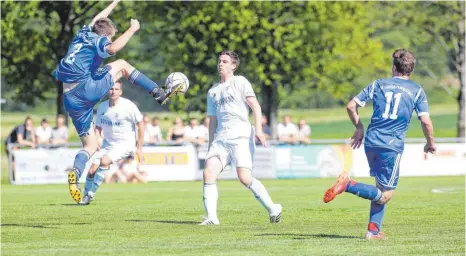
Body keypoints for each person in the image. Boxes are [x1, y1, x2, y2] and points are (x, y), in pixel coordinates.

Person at [53, 0, 181, 202]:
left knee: (91, 145)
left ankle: (76, 173)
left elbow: (98, 18)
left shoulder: (83, 33)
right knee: (121, 65)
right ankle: (158, 93)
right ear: (105, 35)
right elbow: (112, 49)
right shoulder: (99, 40)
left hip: (70, 99)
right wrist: (132, 29)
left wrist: (115, 2)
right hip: (85, 89)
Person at [322, 49, 436, 240]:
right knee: (386, 195)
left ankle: (373, 231)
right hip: (391, 146)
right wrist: (430, 143)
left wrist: (359, 127)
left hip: (371, 141)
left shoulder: (378, 84)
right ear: (411, 69)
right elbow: (426, 122)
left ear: (394, 67)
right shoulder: (417, 90)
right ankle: (347, 185)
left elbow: (351, 106)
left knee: (379, 189)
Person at [201, 50, 282, 225]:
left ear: (233, 65)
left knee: (244, 178)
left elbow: (256, 107)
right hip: (220, 139)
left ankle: (272, 208)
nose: (220, 64)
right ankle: (212, 218)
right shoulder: (213, 91)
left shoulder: (240, 82)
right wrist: (210, 144)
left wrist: (259, 130)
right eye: (219, 61)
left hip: (241, 136)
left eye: (224, 61)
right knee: (208, 173)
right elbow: (212, 120)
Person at [80, 80, 145, 205]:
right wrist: (97, 139)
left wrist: (139, 148)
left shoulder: (128, 106)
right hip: (107, 144)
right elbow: (98, 127)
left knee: (104, 161)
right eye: (111, 89)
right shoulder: (102, 107)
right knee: (92, 170)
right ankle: (84, 197)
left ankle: (91, 194)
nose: (113, 91)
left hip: (125, 145)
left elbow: (141, 124)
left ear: (120, 91)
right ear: (107, 91)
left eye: (116, 89)